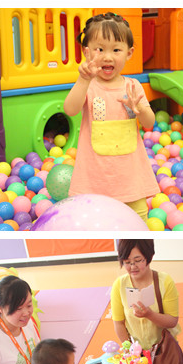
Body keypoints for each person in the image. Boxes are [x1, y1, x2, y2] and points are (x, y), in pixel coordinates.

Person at [64, 12, 159, 222]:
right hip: (94, 179)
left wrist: (139, 109)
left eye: (116, 50)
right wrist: (82, 80)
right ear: (86, 52)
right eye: (99, 49)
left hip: (130, 179)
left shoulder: (133, 86)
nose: (108, 57)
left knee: (137, 221)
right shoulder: (88, 85)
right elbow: (70, 109)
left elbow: (149, 123)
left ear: (129, 53)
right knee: (95, 222)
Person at [111, 239, 181, 364]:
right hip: (136, 352)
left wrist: (149, 314)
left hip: (162, 350)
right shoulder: (119, 285)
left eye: (138, 261)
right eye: (127, 262)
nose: (132, 267)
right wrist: (129, 350)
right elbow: (118, 323)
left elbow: (172, 321)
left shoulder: (164, 281)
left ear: (149, 256)